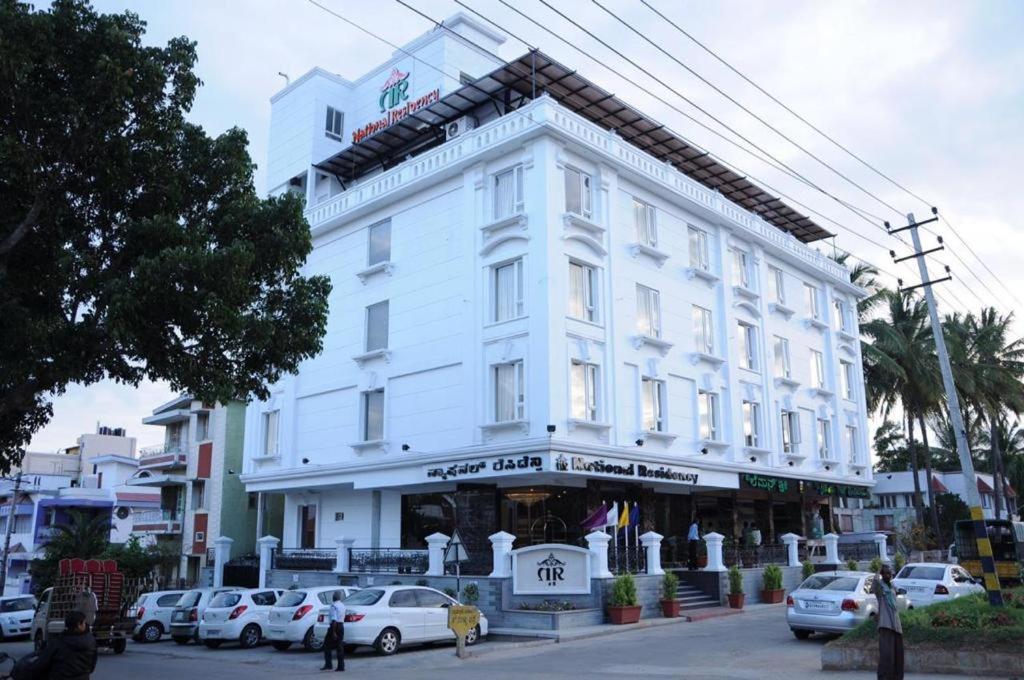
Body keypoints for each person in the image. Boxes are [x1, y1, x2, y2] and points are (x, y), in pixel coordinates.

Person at [37, 610, 97, 680]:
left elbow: (42, 663)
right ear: (79, 625)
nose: (85, 625)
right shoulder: (91, 641)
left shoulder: (58, 642)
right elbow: (92, 666)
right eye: (84, 623)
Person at [871, 564, 904, 680]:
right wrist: (877, 572)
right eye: (885, 573)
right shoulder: (881, 588)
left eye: (889, 573)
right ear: (882, 574)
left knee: (897, 654)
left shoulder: (892, 586)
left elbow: (897, 592)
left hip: (896, 625)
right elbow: (874, 587)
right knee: (886, 655)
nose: (887, 575)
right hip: (885, 625)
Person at [321, 591, 346, 672]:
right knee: (339, 647)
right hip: (341, 626)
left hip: (334, 626)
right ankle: (341, 666)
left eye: (333, 596)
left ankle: (328, 665)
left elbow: (334, 620)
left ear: (334, 597)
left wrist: (333, 632)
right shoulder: (343, 605)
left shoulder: (333, 606)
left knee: (326, 645)